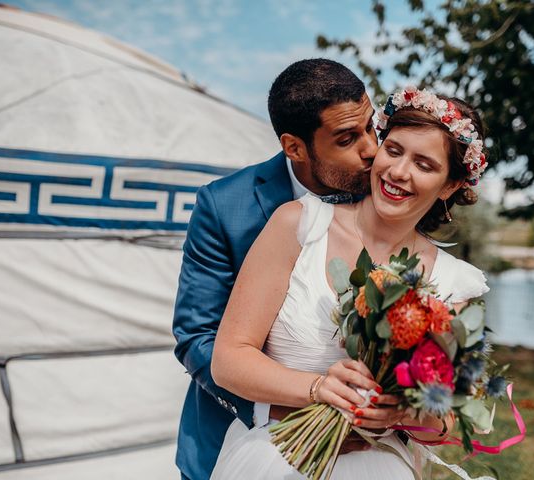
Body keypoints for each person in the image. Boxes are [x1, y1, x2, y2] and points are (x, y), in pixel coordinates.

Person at [210, 86, 490, 479]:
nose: (398, 172)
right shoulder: (298, 225)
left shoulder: (455, 283)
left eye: (424, 165)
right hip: (276, 459)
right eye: (394, 150)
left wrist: (404, 411)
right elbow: (228, 360)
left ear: (450, 186)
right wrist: (317, 388)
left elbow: (450, 421)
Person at [172, 58, 402, 480]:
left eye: (371, 127)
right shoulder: (225, 207)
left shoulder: (386, 194)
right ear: (294, 147)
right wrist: (289, 405)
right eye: (348, 138)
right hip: (241, 442)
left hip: (364, 451)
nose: (371, 149)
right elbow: (196, 337)